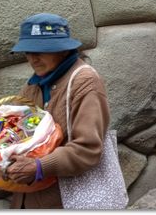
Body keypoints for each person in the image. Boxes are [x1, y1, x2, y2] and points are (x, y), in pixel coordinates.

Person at [6, 13, 111, 208]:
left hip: (64, 201)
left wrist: (39, 167)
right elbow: (16, 129)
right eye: (28, 51)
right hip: (27, 197)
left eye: (40, 51)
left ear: (63, 50)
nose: (33, 59)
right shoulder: (32, 86)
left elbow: (88, 149)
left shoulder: (85, 82)